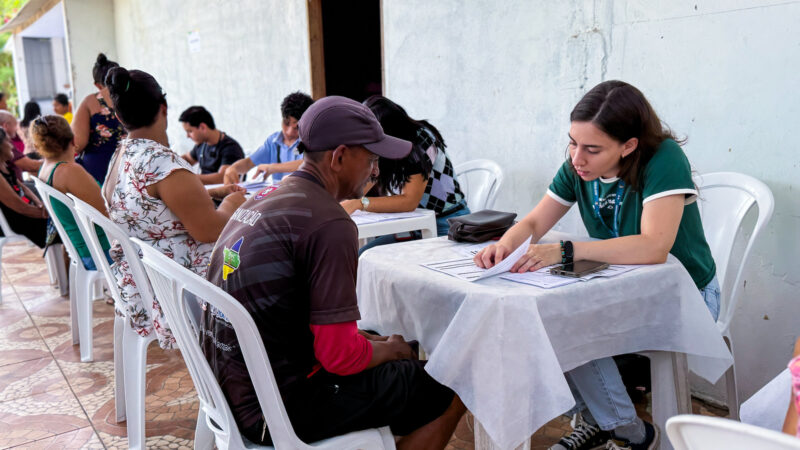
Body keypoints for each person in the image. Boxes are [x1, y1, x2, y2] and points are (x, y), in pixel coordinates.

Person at [203, 96, 466, 448]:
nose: (376, 172)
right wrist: (392, 351)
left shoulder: (262, 198)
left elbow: (314, 328)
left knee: (381, 345)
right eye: (372, 159)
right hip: (278, 409)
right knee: (451, 383)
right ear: (339, 156)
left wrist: (379, 344)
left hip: (231, 390)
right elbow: (341, 357)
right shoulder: (330, 223)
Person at [475, 80, 719, 450]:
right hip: (623, 287)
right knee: (537, 319)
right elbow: (534, 223)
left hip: (685, 294)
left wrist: (567, 250)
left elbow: (655, 247)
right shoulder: (579, 165)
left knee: (565, 322)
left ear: (629, 146)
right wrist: (505, 245)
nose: (577, 158)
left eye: (591, 148)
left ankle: (613, 425)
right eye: (572, 142)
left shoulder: (663, 158)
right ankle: (623, 427)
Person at [103, 66, 246, 349]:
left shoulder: (121, 156)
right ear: (164, 108)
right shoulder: (162, 163)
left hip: (142, 281)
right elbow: (210, 231)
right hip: (181, 288)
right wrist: (234, 202)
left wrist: (212, 191)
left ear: (119, 117)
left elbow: (155, 210)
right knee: (266, 251)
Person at [353, 95, 470, 253]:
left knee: (366, 257)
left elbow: (409, 201)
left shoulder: (420, 141)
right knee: (360, 256)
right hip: (412, 224)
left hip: (446, 224)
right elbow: (361, 187)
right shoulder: (385, 146)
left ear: (388, 130)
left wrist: (360, 203)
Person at [32, 115, 112, 270]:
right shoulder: (69, 171)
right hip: (101, 251)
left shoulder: (46, 167)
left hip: (83, 250)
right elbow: (108, 213)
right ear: (73, 140)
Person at [222, 92, 313, 184]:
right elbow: (249, 162)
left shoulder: (311, 141)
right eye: (286, 123)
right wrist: (232, 169)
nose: (289, 132)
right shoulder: (273, 142)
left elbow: (309, 163)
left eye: (296, 128)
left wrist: (272, 168)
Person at [72, 53, 127, 183]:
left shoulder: (90, 102)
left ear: (97, 84)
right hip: (131, 169)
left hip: (99, 173)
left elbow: (77, 144)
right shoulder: (134, 96)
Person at [0, 128, 49, 247]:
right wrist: (46, 214)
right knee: (64, 227)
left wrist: (40, 204)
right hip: (17, 222)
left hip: (24, 216)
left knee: (65, 224)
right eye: (8, 141)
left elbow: (24, 188)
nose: (12, 145)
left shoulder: (4, 166)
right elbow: (21, 208)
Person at [178, 106, 244, 184]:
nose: (187, 136)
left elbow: (222, 177)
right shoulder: (201, 145)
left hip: (223, 194)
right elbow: (187, 158)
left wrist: (190, 177)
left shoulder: (230, 147)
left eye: (190, 131)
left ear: (203, 127)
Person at [0, 110, 43, 180]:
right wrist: (55, 162)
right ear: (5, 126)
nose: (17, 129)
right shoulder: (5, 144)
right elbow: (31, 166)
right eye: (15, 125)